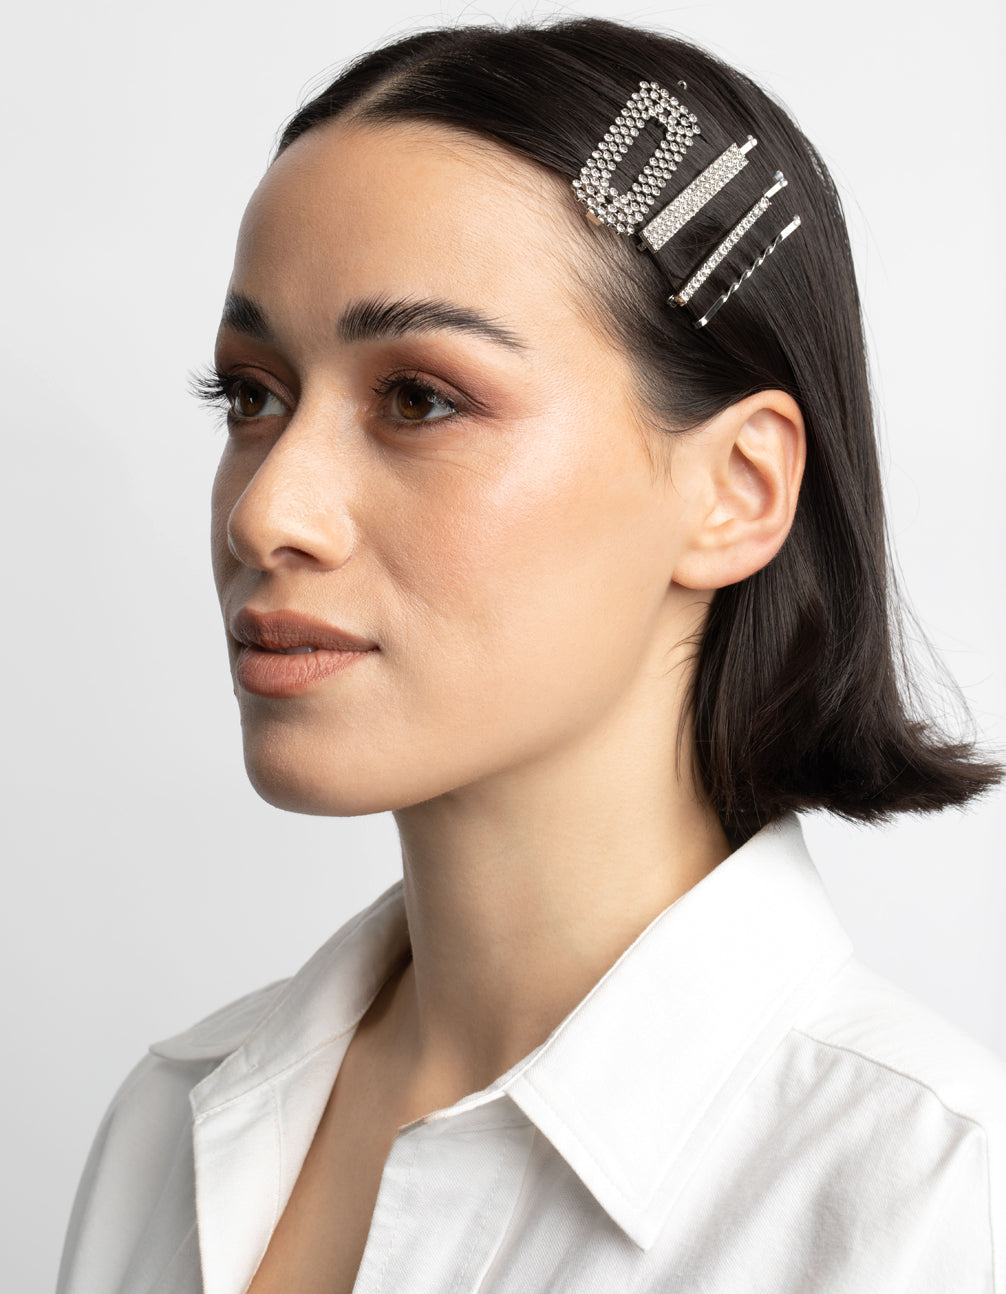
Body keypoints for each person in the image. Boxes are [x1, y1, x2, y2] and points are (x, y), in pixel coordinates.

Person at [56, 15, 1005, 1293]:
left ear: (734, 489)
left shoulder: (929, 1207)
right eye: (253, 394)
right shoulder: (167, 1128)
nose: (266, 512)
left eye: (419, 399)